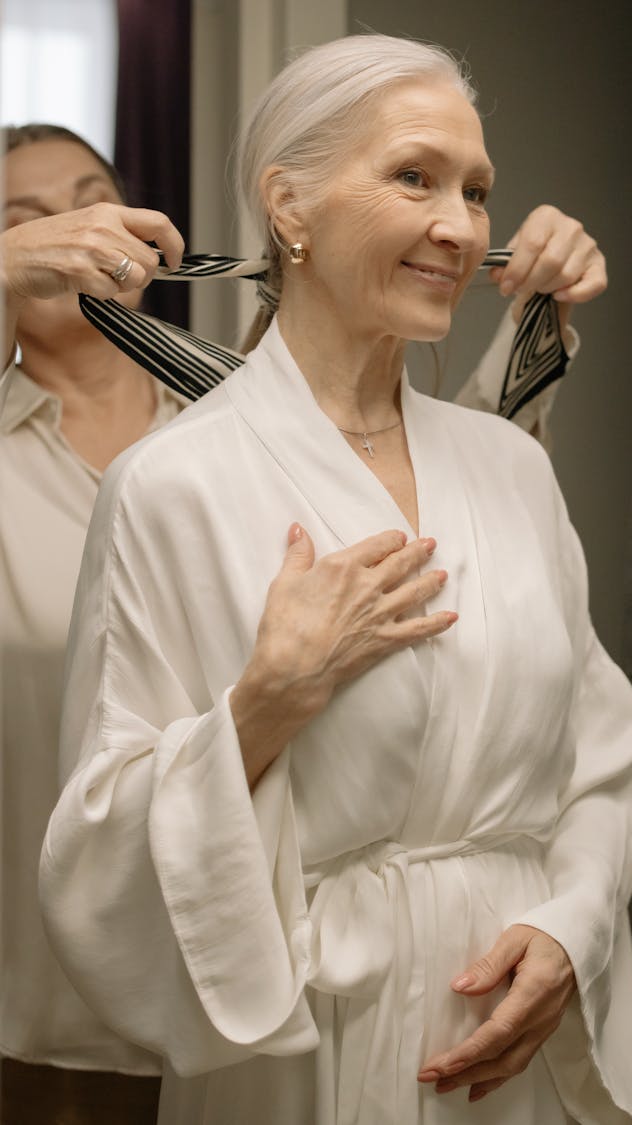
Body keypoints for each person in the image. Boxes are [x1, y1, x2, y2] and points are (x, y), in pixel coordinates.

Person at [37, 33, 632, 1125]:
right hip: (306, 1049)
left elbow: (600, 754)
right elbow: (99, 849)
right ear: (290, 207)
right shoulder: (171, 488)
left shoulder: (509, 469)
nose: (459, 225)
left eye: (475, 189)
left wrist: (572, 929)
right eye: (413, 176)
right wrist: (264, 701)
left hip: (515, 1040)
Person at [0, 123, 184, 1125]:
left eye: (89, 198)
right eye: (28, 220)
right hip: (20, 1003)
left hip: (216, 981)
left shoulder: (236, 429)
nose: (70, 231)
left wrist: (533, 325)